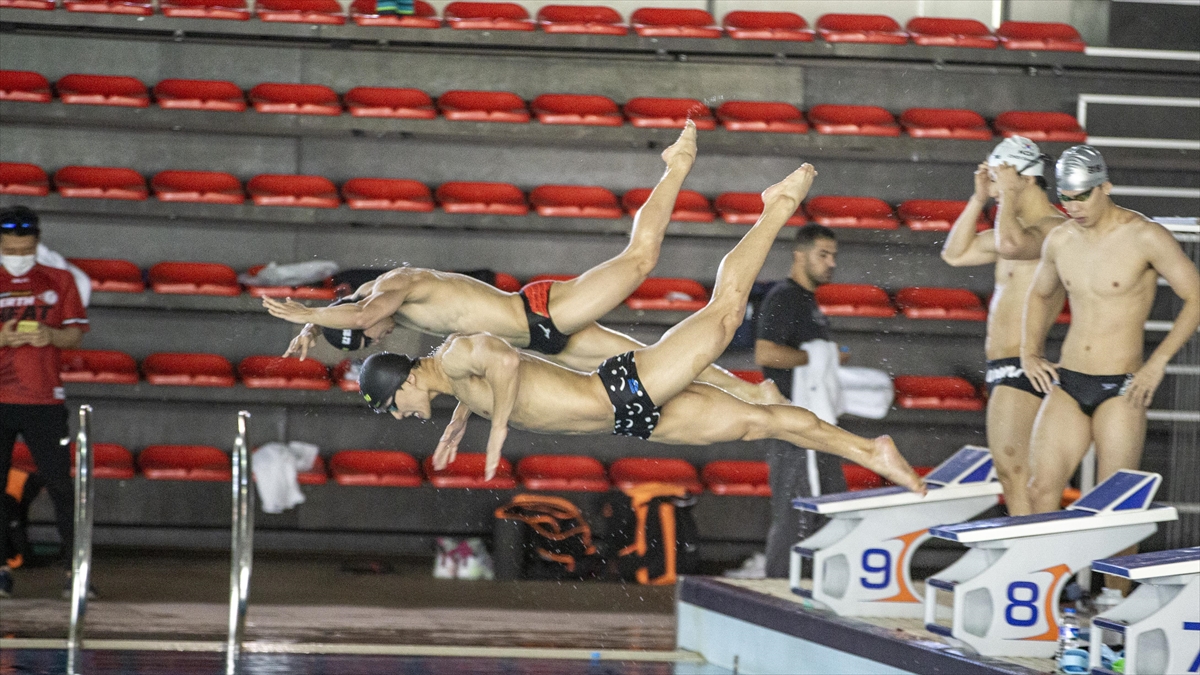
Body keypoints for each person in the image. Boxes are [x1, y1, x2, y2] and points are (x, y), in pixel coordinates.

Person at [356, 165, 926, 495]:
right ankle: (869, 450)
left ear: (401, 383)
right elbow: (481, 379)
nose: (401, 417)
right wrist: (460, 419)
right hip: (634, 422)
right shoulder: (451, 380)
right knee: (759, 424)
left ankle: (774, 209)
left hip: (623, 389)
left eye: (394, 407)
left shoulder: (454, 353)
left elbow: (502, 360)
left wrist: (498, 432)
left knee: (727, 313)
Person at [264, 122, 784, 406]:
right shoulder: (385, 309)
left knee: (640, 258)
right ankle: (747, 390)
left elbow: (356, 313)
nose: (379, 337)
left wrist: (303, 313)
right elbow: (353, 313)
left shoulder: (399, 286)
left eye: (370, 333)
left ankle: (675, 167)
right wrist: (315, 324)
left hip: (542, 313)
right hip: (544, 338)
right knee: (656, 359)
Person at [1021, 146, 1200, 515]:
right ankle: (1052, 574)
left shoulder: (1145, 236)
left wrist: (1158, 362)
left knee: (1115, 509)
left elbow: (1196, 296)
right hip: (1068, 381)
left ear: (1105, 186)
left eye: (1082, 197)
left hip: (1121, 388)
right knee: (1039, 491)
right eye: (1066, 199)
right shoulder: (1061, 240)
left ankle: (1114, 576)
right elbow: (1039, 295)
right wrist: (1029, 351)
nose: (1073, 208)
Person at [940, 137, 1067, 515]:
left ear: (1025, 179)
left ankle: (1038, 567)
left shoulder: (1054, 229)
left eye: (999, 178)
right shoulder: (1010, 228)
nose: (994, 187)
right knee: (1013, 475)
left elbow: (1012, 245)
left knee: (1020, 476)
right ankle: (1035, 565)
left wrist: (1007, 196)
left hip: (1023, 365)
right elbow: (955, 253)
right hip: (1003, 367)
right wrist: (978, 199)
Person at [0, 205, 88, 597]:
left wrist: (49, 337)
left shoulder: (59, 279)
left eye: (24, 249)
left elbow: (74, 335)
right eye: (10, 249)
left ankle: (76, 571)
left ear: (36, 244)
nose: (18, 255)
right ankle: (1, 568)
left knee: (61, 486)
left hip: (44, 398)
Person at [753, 223, 849, 579]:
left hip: (813, 421)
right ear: (800, 255)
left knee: (826, 505)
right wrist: (817, 357)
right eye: (823, 255)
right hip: (790, 424)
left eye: (834, 256)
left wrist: (828, 356)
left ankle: (814, 585)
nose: (831, 263)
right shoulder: (784, 297)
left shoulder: (809, 304)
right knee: (795, 513)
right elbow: (766, 353)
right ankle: (779, 589)